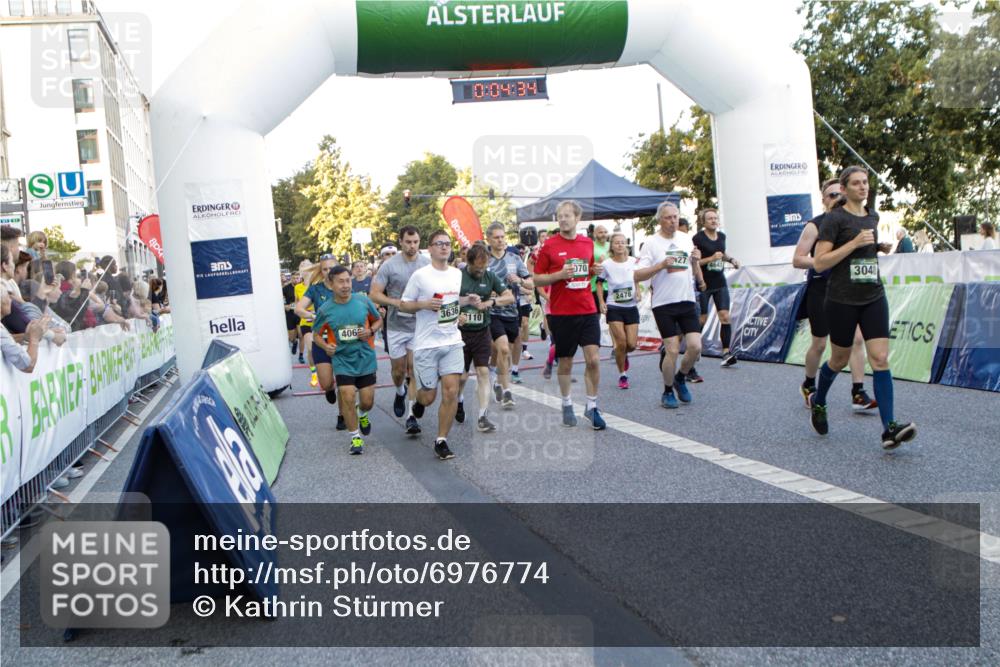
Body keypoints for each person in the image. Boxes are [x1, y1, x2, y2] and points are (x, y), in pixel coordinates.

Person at [810, 166, 916, 450]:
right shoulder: (834, 219)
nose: (862, 187)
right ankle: (818, 401)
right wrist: (855, 243)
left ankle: (889, 428)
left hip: (873, 295)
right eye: (856, 183)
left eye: (865, 182)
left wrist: (875, 248)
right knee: (839, 359)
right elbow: (820, 263)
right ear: (844, 190)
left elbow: (862, 254)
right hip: (841, 299)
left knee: (880, 358)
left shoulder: (872, 215)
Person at [793, 178, 878, 412]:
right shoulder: (815, 225)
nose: (836, 200)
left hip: (849, 288)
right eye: (831, 196)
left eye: (838, 196)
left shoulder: (852, 220)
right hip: (821, 289)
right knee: (820, 344)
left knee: (857, 339)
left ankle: (858, 392)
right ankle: (809, 383)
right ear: (823, 200)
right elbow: (797, 259)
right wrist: (822, 261)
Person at [399, 229, 476, 460]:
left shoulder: (456, 274)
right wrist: (424, 304)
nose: (444, 247)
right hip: (426, 344)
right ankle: (418, 404)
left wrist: (464, 305)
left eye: (447, 243)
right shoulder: (420, 276)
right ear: (430, 248)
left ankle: (441, 440)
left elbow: (451, 303)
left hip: (452, 340)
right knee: (428, 397)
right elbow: (403, 305)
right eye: (438, 243)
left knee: (451, 391)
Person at [532, 200, 606, 430]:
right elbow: (536, 278)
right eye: (559, 216)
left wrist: (595, 270)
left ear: (577, 218)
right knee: (566, 362)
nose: (562, 219)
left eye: (567, 215)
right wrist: (559, 274)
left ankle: (592, 407)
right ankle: (566, 402)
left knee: (593, 359)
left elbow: (589, 268)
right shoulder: (550, 246)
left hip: (587, 308)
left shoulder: (587, 243)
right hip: (562, 312)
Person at [634, 202, 706, 410]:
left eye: (675, 217)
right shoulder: (651, 243)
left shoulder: (685, 239)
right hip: (664, 303)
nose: (673, 221)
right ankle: (667, 391)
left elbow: (691, 271)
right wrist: (661, 265)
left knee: (695, 347)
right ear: (660, 220)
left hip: (687, 299)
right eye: (668, 217)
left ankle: (680, 378)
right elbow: (638, 274)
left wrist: (695, 262)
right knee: (672, 350)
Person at [311, 265, 382, 455]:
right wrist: (326, 347)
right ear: (331, 284)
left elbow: (378, 320)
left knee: (367, 401)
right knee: (348, 396)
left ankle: (363, 413)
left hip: (364, 357)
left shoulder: (362, 300)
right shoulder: (325, 310)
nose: (345, 285)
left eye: (348, 280)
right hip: (342, 360)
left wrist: (370, 331)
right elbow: (316, 334)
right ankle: (355, 437)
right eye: (340, 281)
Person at [370, 227, 430, 435]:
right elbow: (374, 294)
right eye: (408, 242)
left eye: (415, 242)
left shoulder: (427, 263)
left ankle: (411, 416)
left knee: (413, 369)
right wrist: (395, 302)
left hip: (418, 325)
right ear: (401, 242)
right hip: (396, 325)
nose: (412, 246)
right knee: (398, 371)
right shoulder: (390, 265)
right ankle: (399, 390)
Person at [457, 242, 514, 432]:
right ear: (468, 262)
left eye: (484, 268)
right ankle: (458, 400)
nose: (481, 272)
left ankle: (482, 416)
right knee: (462, 377)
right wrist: (458, 315)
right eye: (477, 268)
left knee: (483, 373)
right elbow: (445, 301)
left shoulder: (489, 275)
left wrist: (491, 302)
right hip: (460, 334)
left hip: (482, 331)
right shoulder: (458, 277)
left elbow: (509, 296)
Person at [484, 222, 532, 400]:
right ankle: (506, 391)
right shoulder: (484, 259)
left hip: (512, 311)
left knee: (505, 350)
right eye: (496, 237)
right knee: (503, 349)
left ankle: (497, 380)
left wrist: (519, 280)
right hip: (492, 312)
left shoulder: (514, 258)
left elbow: (531, 283)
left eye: (502, 237)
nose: (500, 240)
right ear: (488, 239)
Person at [692, 209, 740, 367]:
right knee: (702, 319)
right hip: (704, 283)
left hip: (720, 282)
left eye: (715, 218)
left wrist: (731, 259)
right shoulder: (697, 238)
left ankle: (726, 352)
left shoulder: (722, 236)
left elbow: (722, 253)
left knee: (725, 316)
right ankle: (694, 348)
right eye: (710, 219)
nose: (713, 221)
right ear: (704, 222)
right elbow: (695, 262)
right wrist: (711, 258)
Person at [295, 255, 341, 414]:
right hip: (321, 341)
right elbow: (298, 309)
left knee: (345, 383)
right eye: (325, 269)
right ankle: (329, 389)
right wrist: (313, 316)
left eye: (331, 268)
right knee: (327, 383)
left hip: (342, 341)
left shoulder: (345, 287)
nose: (329, 272)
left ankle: (343, 416)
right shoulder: (315, 289)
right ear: (321, 272)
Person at [596, 232, 640, 390]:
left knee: (632, 345)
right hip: (614, 306)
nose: (620, 245)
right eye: (617, 243)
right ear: (612, 246)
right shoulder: (607, 264)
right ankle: (623, 375)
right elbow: (599, 283)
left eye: (623, 242)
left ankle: (622, 354)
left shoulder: (634, 261)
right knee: (621, 342)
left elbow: (638, 277)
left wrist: (639, 290)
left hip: (631, 306)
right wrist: (601, 302)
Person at [294, 259, 318, 370]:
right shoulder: (297, 287)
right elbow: (297, 305)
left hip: (319, 320)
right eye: (302, 266)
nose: (304, 268)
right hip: (306, 321)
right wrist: (304, 311)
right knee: (311, 348)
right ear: (300, 271)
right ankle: (313, 372)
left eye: (307, 266)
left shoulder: (318, 285)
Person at [590, 224, 611, 312]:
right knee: (595, 316)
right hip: (594, 287)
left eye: (605, 232)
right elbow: (587, 267)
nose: (603, 234)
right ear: (595, 234)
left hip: (610, 286)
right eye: (600, 232)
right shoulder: (590, 246)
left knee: (612, 318)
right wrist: (598, 262)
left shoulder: (611, 246)